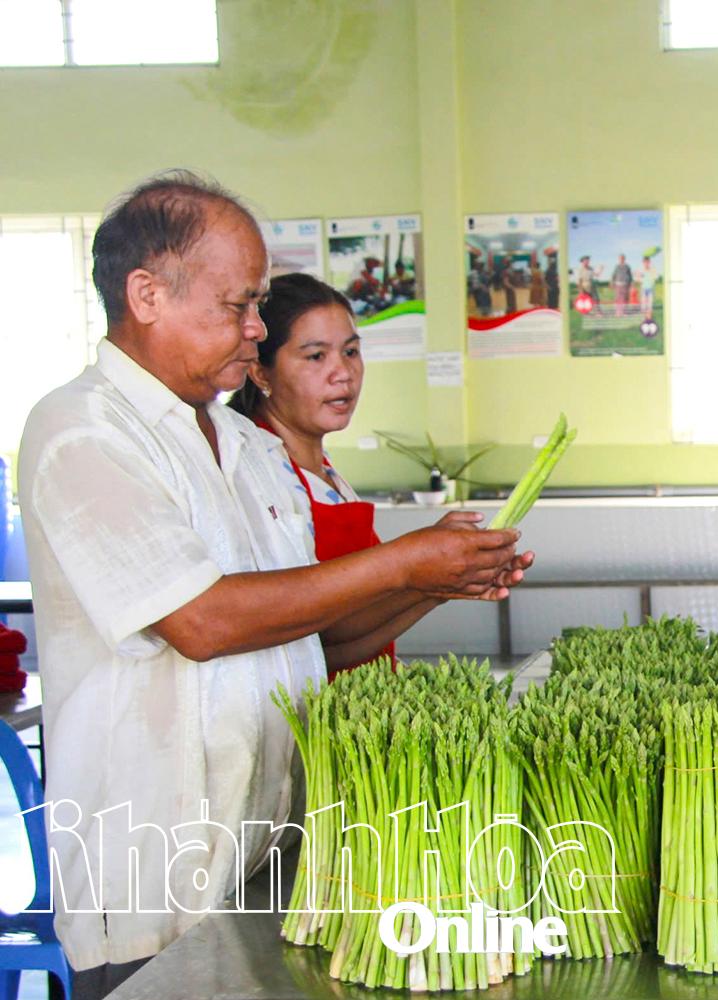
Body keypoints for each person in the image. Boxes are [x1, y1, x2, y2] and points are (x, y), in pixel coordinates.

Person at [17, 172, 533, 996]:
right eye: (236, 305)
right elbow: (203, 622)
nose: (256, 328)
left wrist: (440, 582)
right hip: (159, 877)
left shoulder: (245, 445)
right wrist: (405, 560)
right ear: (145, 294)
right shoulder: (80, 430)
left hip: (274, 852)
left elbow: (313, 642)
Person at [226, 272, 450, 678]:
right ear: (261, 373)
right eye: (316, 356)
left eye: (350, 352)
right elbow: (313, 644)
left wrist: (437, 582)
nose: (343, 373)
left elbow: (356, 629)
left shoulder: (327, 475)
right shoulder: (256, 470)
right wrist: (420, 570)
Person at [611, 253, 632, 317]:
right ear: (619, 259)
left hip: (625, 284)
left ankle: (624, 312)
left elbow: (630, 276)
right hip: (618, 284)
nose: (621, 259)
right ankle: (618, 312)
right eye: (620, 258)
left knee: (625, 299)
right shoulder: (617, 266)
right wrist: (612, 283)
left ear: (624, 259)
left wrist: (630, 283)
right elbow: (613, 275)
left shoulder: (627, 266)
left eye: (623, 258)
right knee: (617, 298)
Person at [637, 253, 657, 319]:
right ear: (643, 262)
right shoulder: (641, 269)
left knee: (650, 303)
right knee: (643, 303)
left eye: (647, 262)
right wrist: (639, 276)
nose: (646, 263)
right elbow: (638, 279)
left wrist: (651, 272)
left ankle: (649, 317)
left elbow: (655, 277)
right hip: (643, 288)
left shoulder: (652, 269)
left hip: (650, 288)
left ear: (649, 262)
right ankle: (644, 317)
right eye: (645, 262)